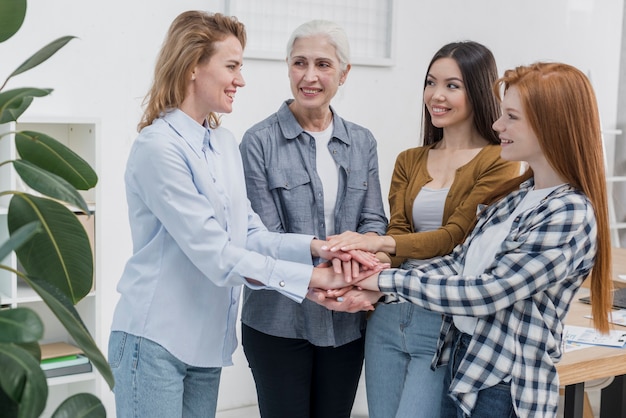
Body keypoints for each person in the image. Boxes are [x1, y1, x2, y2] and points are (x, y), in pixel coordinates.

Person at [107, 11, 381, 418]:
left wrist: (319, 248)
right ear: (192, 68)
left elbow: (250, 233)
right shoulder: (158, 148)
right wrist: (312, 278)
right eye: (232, 66)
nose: (241, 79)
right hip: (154, 341)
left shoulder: (220, 143)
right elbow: (217, 254)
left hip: (205, 345)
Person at [313, 62, 612, 417]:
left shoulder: (569, 213)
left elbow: (485, 292)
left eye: (511, 117)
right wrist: (378, 288)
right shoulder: (517, 197)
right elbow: (458, 263)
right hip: (465, 363)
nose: (498, 125)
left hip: (506, 385)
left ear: (551, 127)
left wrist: (378, 277)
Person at [322, 41, 520, 417]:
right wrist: (359, 262)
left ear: (478, 91)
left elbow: (456, 236)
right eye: (431, 83)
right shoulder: (409, 159)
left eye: (452, 85)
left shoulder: (499, 161)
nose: (436, 95)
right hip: (388, 314)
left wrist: (376, 240)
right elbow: (397, 234)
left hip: (441, 321)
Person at [238, 20, 388, 418]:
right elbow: (264, 236)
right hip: (277, 321)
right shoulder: (259, 141)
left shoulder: (362, 142)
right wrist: (333, 264)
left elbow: (374, 221)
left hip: (347, 320)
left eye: (322, 64)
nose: (309, 76)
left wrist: (352, 266)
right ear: (287, 66)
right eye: (299, 63)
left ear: (344, 72)